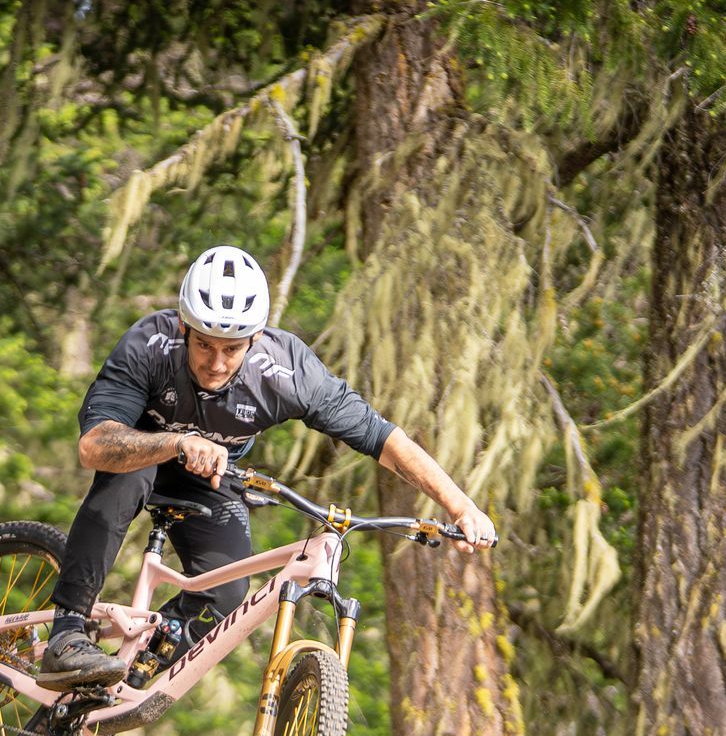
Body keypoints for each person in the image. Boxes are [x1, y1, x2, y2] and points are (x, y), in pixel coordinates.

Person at [38, 244, 498, 688]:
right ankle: (67, 631)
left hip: (206, 479)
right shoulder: (149, 344)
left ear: (255, 339)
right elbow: (94, 447)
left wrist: (460, 506)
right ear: (183, 327)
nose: (216, 363)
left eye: (232, 349)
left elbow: (383, 438)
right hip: (140, 452)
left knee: (228, 591)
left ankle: (113, 691)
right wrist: (176, 442)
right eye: (204, 345)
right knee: (124, 480)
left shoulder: (286, 372)